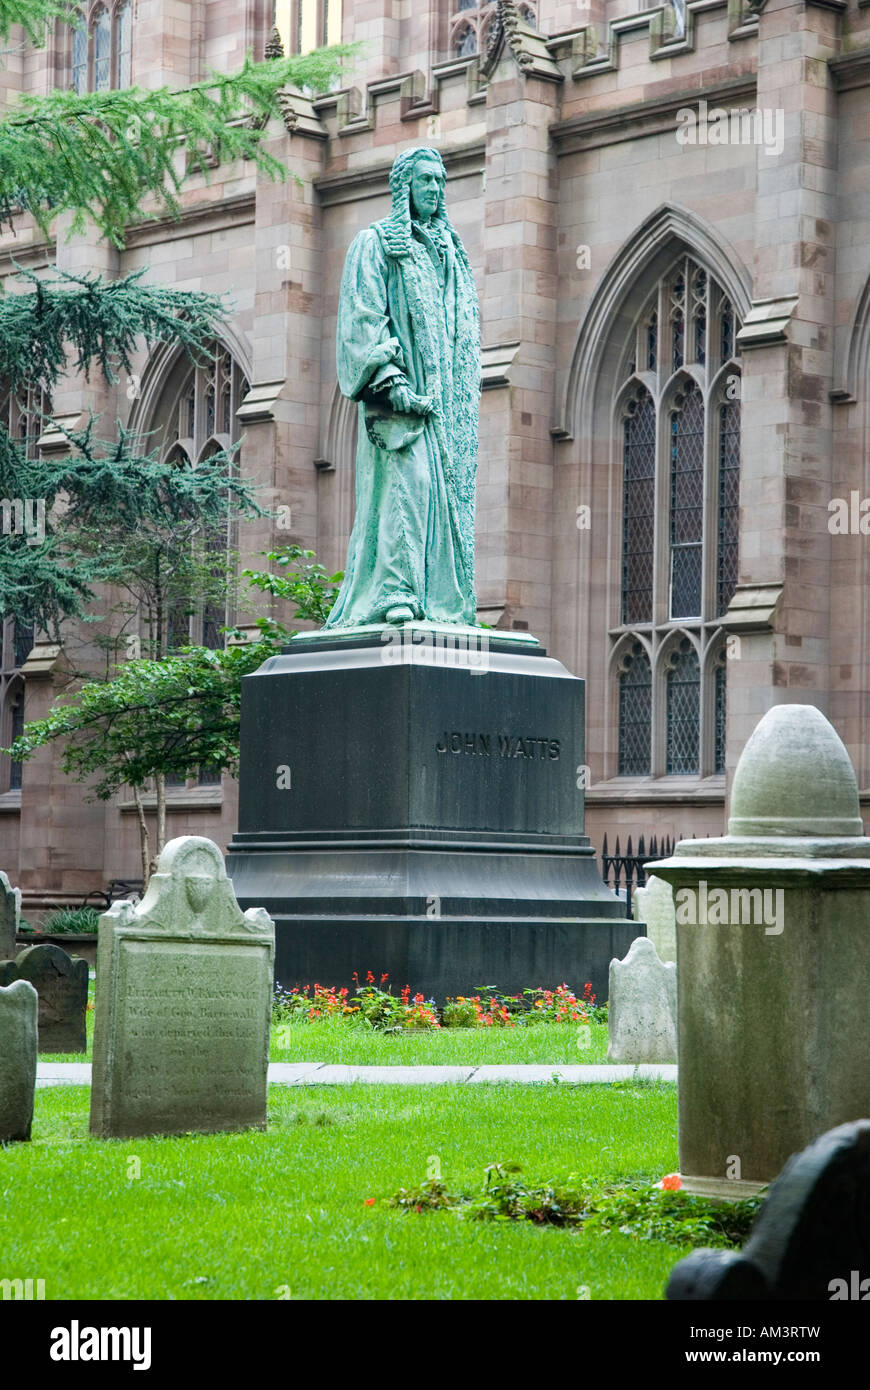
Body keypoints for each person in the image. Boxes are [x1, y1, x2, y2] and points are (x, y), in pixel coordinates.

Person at [324, 146, 480, 628]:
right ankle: (395, 592)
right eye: (425, 180)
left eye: (440, 181)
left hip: (443, 410)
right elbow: (362, 317)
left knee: (441, 501)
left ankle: (437, 600)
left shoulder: (451, 252)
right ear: (404, 188)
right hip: (399, 409)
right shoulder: (375, 244)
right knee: (405, 490)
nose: (434, 189)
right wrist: (391, 381)